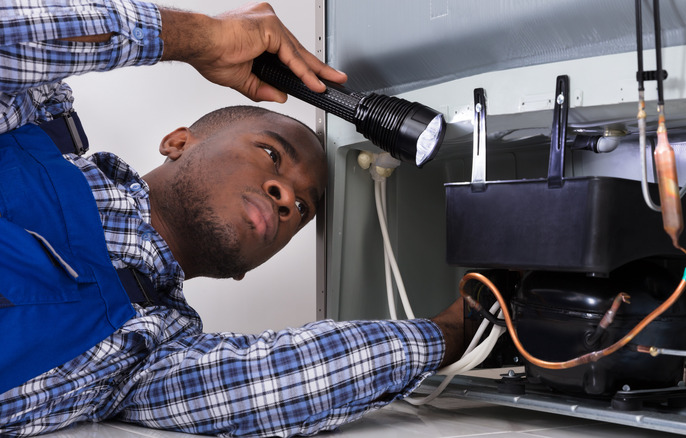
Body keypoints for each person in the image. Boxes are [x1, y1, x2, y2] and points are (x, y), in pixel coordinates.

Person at [0, 1, 465, 437]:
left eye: (303, 209)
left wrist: (460, 328)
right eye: (270, 154)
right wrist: (201, 38)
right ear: (178, 142)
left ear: (244, 269)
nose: (286, 197)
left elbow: (280, 384)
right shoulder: (28, 122)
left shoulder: (147, 355)